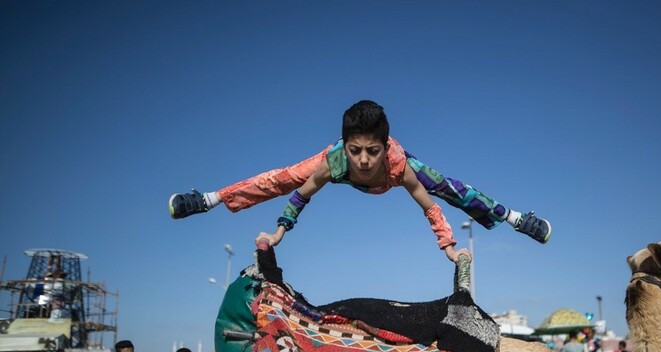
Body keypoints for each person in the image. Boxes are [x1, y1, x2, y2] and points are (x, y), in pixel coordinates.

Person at [168, 100, 551, 263]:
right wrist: (281, 229)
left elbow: (430, 206)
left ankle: (516, 218)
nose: (364, 161)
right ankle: (209, 198)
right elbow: (300, 195)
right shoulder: (334, 162)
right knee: (281, 177)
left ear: (385, 147)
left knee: (449, 187)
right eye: (356, 151)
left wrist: (448, 247)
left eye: (372, 151)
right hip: (328, 169)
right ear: (346, 147)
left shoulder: (399, 166)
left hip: (403, 172)